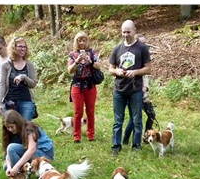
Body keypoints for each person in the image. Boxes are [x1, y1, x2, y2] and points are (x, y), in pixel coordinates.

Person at [108, 20, 151, 156]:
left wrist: (136, 72)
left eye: (128, 32)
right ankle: (116, 146)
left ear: (134, 31)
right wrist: (117, 72)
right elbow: (110, 68)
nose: (126, 35)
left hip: (135, 90)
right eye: (123, 32)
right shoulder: (117, 49)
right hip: (119, 90)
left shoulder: (142, 48)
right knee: (118, 121)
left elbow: (148, 68)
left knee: (137, 120)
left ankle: (136, 146)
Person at [67, 31, 102, 143]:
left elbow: (99, 66)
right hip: (77, 86)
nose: (82, 43)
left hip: (90, 85)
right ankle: (76, 135)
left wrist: (90, 61)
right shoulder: (72, 54)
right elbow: (70, 70)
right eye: (79, 40)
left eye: (84, 40)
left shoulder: (92, 52)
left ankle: (90, 134)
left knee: (90, 111)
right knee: (78, 112)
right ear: (76, 42)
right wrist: (77, 61)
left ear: (87, 41)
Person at [122, 34, 156, 145]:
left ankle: (147, 136)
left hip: (142, 93)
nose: (144, 45)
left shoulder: (144, 57)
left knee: (151, 115)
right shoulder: (131, 57)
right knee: (134, 119)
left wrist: (145, 92)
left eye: (145, 44)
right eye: (142, 43)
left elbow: (146, 77)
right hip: (134, 92)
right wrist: (142, 94)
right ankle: (126, 139)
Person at [2, 109, 54, 178]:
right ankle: (23, 171)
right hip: (28, 152)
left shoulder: (29, 128)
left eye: (12, 127)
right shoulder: (10, 133)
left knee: (12, 149)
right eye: (8, 127)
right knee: (5, 166)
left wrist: (16, 167)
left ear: (17, 123)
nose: (10, 129)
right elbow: (8, 152)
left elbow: (31, 150)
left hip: (43, 154)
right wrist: (9, 167)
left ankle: (21, 175)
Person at [0, 36, 37, 121]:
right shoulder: (5, 66)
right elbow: (2, 86)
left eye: (24, 47)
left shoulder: (29, 65)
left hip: (26, 102)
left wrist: (23, 77)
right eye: (20, 46)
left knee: (25, 128)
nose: (23, 49)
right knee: (12, 129)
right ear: (13, 48)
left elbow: (33, 84)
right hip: (9, 103)